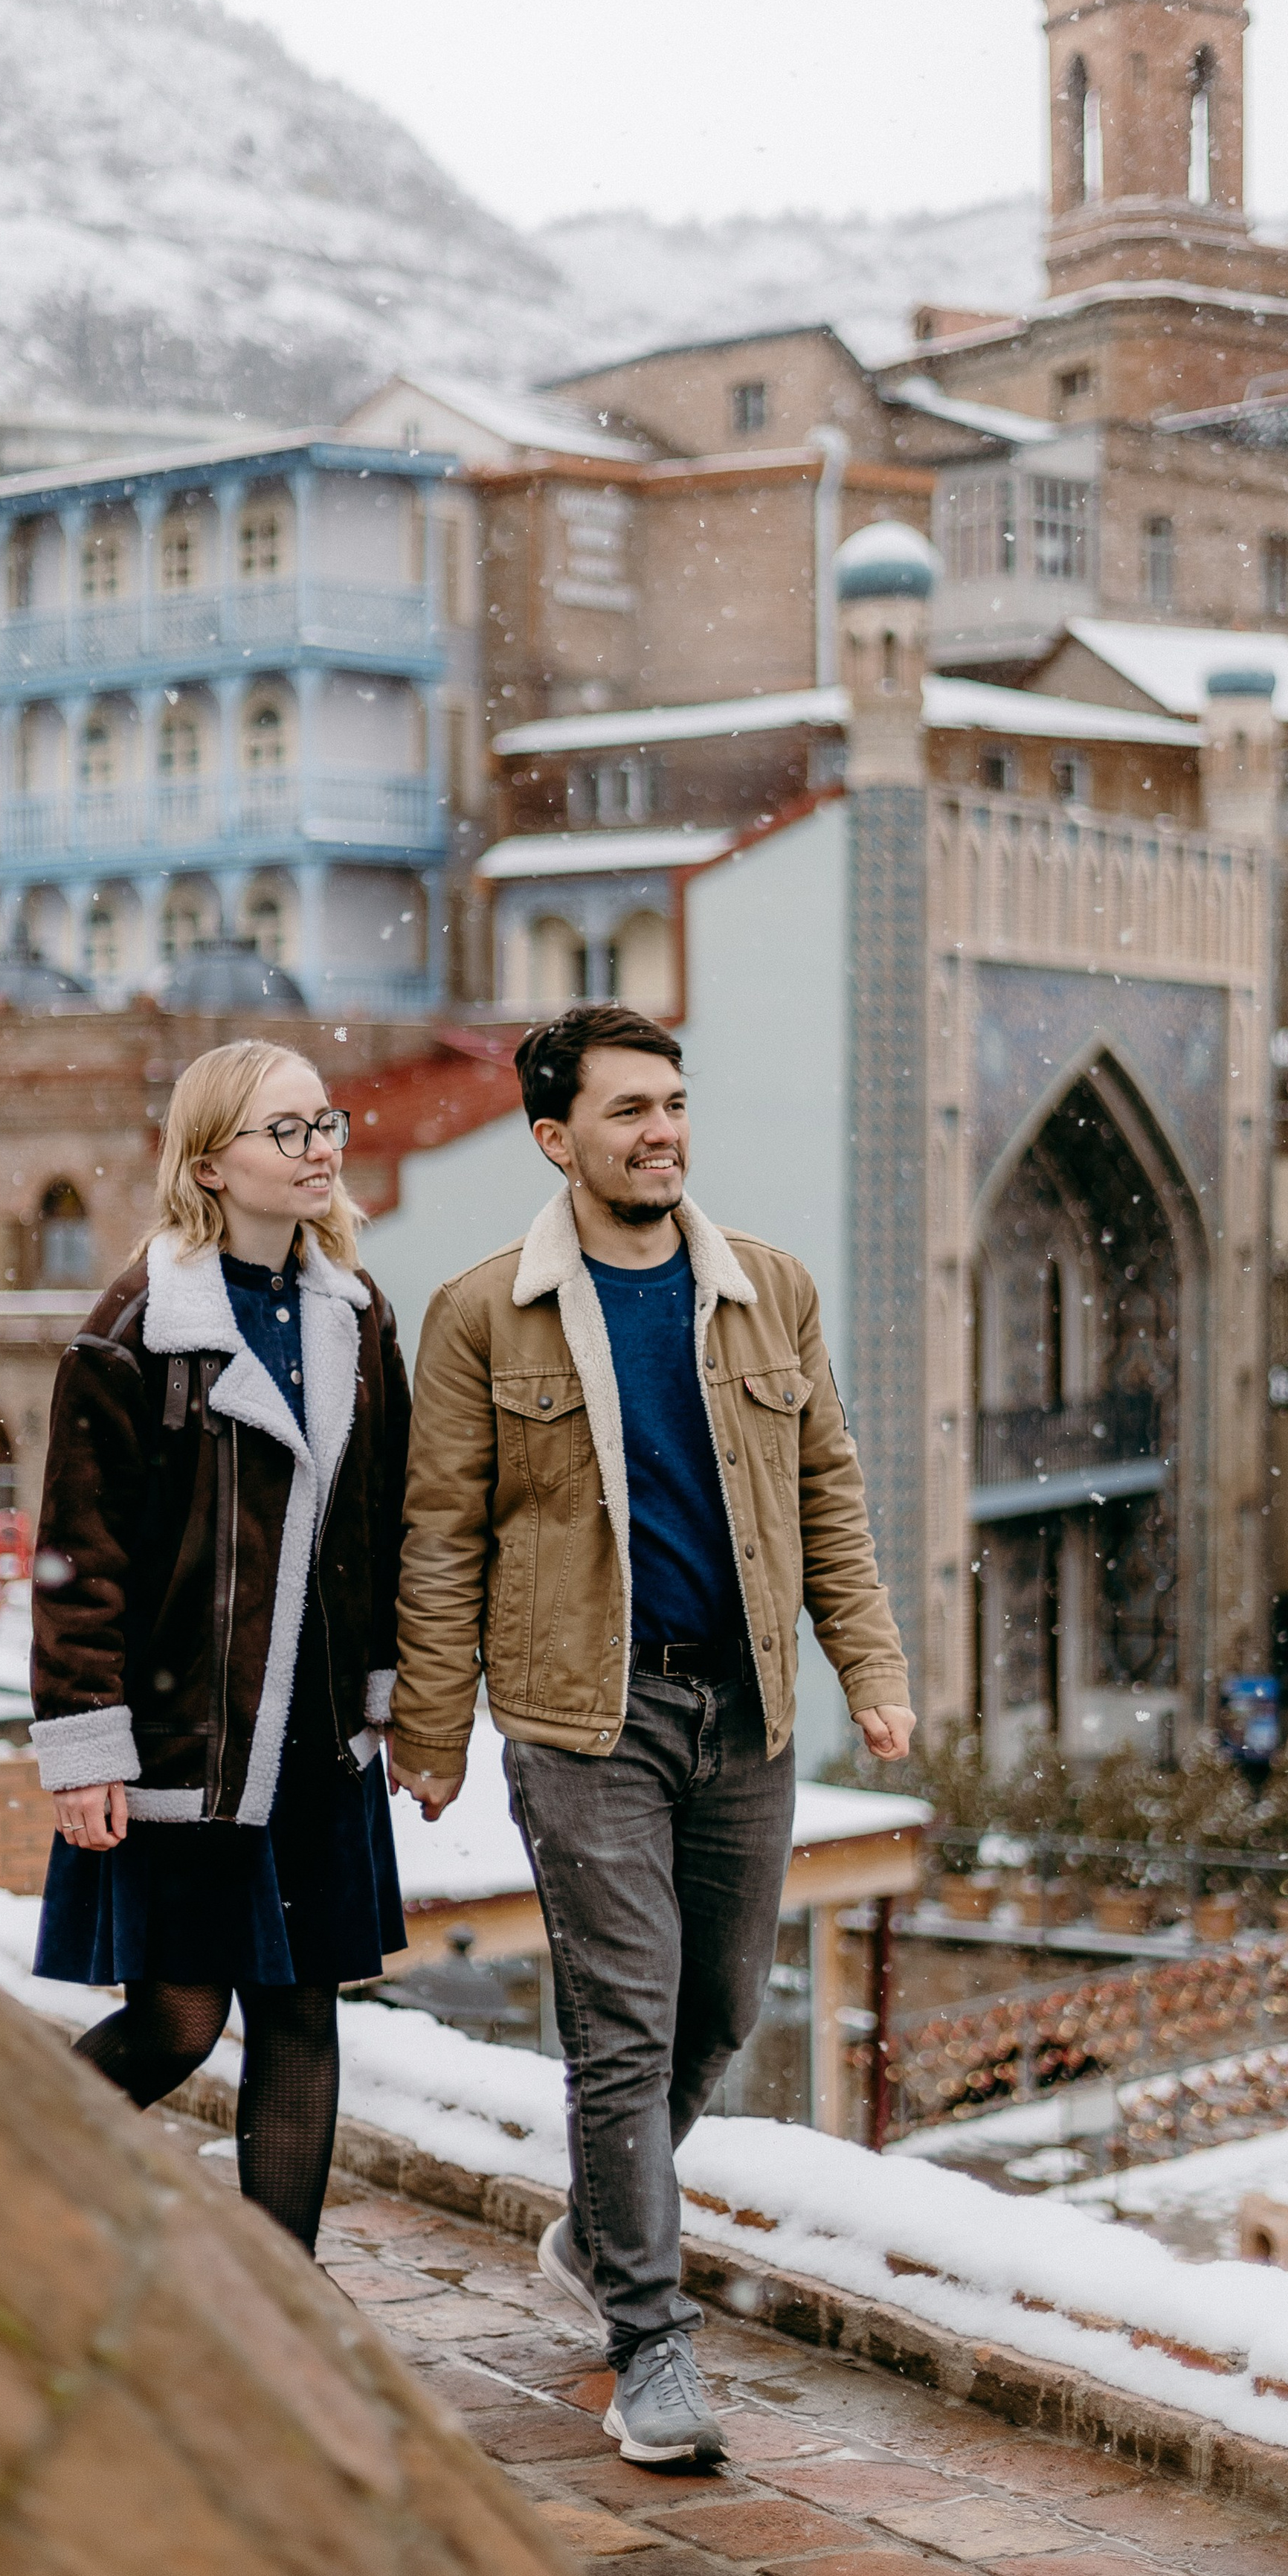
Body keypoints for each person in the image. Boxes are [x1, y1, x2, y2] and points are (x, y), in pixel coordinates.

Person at [390, 1003, 913, 2461]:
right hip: (579, 1718)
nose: (660, 1131)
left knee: (720, 2008)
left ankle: (598, 2227)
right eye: (626, 1110)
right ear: (554, 1138)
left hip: (741, 1709)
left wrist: (865, 1661)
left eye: (671, 1102)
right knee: (620, 2026)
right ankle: (650, 2337)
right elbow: (438, 1537)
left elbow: (827, 1495)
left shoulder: (770, 1293)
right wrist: (429, 1729)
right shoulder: (482, 1311)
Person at [28, 1038, 409, 2252]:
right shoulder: (137, 1330)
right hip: (188, 1733)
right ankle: (1, 2170)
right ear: (209, 1162)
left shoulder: (355, 1313)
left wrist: (399, 1695)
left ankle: (288, 2299)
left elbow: (383, 1520)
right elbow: (81, 1559)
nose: (321, 1148)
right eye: (286, 1130)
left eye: (326, 1122)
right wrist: (86, 1747)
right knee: (179, 2023)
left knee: (301, 2015)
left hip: (315, 1736)